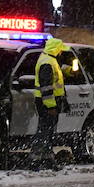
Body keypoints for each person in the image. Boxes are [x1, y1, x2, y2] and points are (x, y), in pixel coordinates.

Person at [30, 37, 70, 169]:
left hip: (47, 102)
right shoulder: (47, 62)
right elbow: (46, 88)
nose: (61, 53)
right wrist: (51, 106)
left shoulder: (48, 60)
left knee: (46, 131)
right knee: (45, 131)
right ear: (56, 49)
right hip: (47, 103)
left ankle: (45, 159)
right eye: (60, 50)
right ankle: (38, 160)